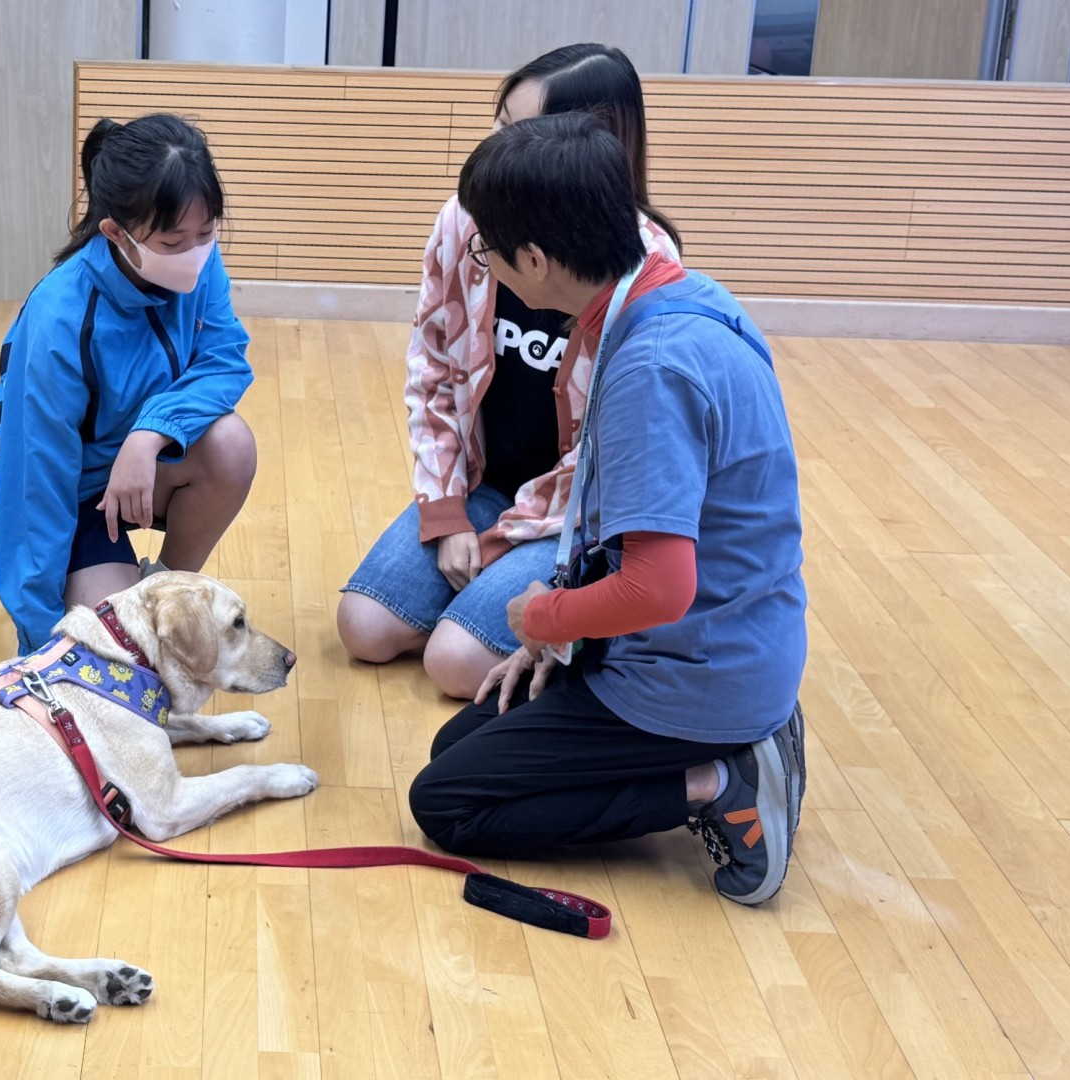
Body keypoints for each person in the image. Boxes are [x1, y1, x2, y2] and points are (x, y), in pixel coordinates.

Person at [406, 112, 807, 906]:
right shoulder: (678, 297)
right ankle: (734, 743)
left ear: (534, 260)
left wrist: (543, 618)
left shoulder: (651, 368)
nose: (483, 265)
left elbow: (660, 589)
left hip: (694, 672)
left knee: (448, 803)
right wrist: (565, 640)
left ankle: (719, 781)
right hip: (721, 643)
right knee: (461, 740)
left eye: (486, 251)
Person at [338, 44, 684, 700]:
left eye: (517, 133)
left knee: (454, 663)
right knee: (364, 628)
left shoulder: (644, 269)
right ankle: (500, 617)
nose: (494, 148)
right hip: (484, 485)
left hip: (573, 518)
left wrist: (495, 540)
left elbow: (608, 457)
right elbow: (433, 368)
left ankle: (582, 627)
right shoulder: (464, 219)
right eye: (498, 125)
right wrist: (447, 513)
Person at [0, 113, 256, 654]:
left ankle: (165, 590)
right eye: (173, 241)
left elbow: (225, 359)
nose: (195, 253)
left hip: (145, 466)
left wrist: (148, 435)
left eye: (206, 233)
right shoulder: (61, 317)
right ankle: (105, 592)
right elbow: (33, 484)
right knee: (112, 650)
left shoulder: (199, 260)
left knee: (231, 443)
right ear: (115, 232)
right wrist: (40, 643)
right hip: (77, 493)